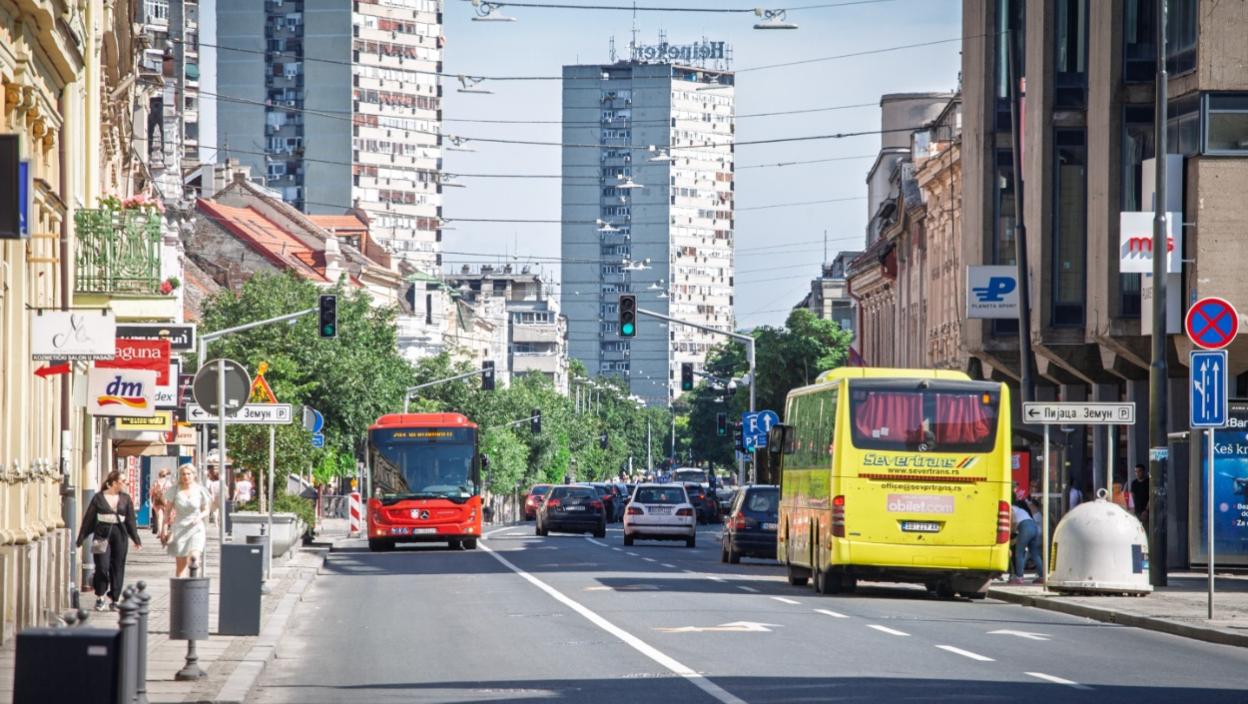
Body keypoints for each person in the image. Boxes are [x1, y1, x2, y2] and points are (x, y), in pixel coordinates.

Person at [77, 471, 142, 611]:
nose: (126, 483)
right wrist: (81, 538)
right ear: (113, 483)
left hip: (120, 534)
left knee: (118, 567)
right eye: (123, 481)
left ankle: (114, 599)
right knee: (102, 566)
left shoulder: (126, 498)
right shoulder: (98, 497)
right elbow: (88, 519)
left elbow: (130, 520)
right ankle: (100, 596)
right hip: (101, 534)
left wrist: (136, 539)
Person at [160, 464, 213, 578]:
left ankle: (195, 586)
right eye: (183, 474)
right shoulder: (175, 490)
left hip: (196, 528)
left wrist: (199, 517)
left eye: (189, 474)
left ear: (194, 475)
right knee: (181, 567)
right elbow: (167, 510)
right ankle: (181, 588)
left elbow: (206, 510)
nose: (186, 476)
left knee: (194, 559)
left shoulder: (200, 490)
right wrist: (163, 529)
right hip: (179, 528)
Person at [1009, 501, 1044, 585]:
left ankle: (1019, 578)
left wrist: (1010, 533)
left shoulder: (1010, 508)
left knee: (1019, 553)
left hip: (1025, 527)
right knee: (1035, 554)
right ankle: (1042, 576)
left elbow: (1013, 522)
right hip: (1033, 526)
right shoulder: (1020, 510)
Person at [148, 467, 173, 535]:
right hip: (166, 501)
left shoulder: (156, 482)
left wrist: (152, 500)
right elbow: (171, 492)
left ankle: (159, 532)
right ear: (166, 475)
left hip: (157, 501)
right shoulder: (168, 483)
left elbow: (151, 492)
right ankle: (164, 532)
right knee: (166, 517)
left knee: (159, 517)